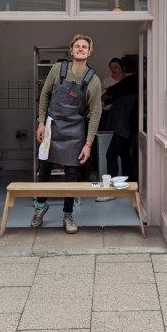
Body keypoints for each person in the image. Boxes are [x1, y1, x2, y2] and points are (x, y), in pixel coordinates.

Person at [32, 34, 102, 234]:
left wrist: (88, 144)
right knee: (44, 169)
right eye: (77, 46)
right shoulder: (57, 70)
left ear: (89, 52)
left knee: (71, 174)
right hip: (51, 127)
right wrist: (41, 123)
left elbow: (96, 114)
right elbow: (44, 95)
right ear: (71, 50)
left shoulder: (93, 80)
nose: (80, 49)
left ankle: (68, 214)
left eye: (84, 47)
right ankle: (40, 207)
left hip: (75, 131)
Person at [96, 56, 138, 202]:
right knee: (125, 155)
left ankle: (112, 189)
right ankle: (126, 188)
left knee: (111, 155)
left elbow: (108, 94)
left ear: (124, 68)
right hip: (128, 126)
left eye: (118, 68)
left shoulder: (126, 83)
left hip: (123, 126)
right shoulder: (133, 82)